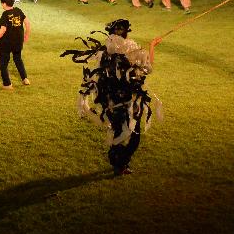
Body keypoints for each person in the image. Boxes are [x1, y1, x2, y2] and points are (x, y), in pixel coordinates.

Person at [61, 19, 160, 176]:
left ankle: (118, 163)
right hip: (128, 100)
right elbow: (147, 69)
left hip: (111, 101)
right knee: (133, 135)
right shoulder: (132, 50)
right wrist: (152, 46)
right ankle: (121, 163)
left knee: (118, 131)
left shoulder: (105, 51)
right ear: (126, 32)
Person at [0, 0, 31, 89]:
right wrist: (26, 35)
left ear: (4, 3)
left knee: (3, 63)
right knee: (18, 59)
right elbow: (27, 23)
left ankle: (7, 84)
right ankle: (25, 78)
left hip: (7, 44)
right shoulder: (18, 10)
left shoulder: (5, 15)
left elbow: (3, 30)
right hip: (18, 42)